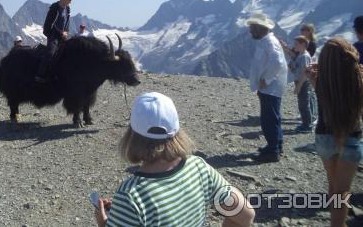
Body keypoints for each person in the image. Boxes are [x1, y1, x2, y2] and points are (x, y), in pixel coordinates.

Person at [94, 92, 255, 227]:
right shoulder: (199, 167)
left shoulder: (130, 195)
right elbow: (246, 214)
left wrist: (106, 223)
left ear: (132, 135)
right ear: (177, 130)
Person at [312, 38, 363, 227]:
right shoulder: (357, 79)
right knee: (343, 190)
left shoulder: (320, 80)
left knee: (333, 187)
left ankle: (337, 222)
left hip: (324, 137)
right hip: (351, 137)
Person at [247, 13, 288, 162]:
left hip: (270, 87)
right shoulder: (267, 41)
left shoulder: (269, 42)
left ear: (259, 28)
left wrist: (266, 79)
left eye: (252, 27)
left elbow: (277, 62)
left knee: (269, 118)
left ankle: (273, 151)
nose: (250, 31)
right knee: (273, 117)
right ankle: (276, 144)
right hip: (271, 87)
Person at [35, 0, 74, 83]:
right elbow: (50, 25)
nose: (70, 2)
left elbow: (67, 22)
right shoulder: (54, 9)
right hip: (53, 36)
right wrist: (61, 33)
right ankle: (40, 75)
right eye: (69, 0)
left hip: (62, 36)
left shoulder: (67, 8)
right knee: (50, 53)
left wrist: (66, 32)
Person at [288, 35, 314, 132]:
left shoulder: (304, 57)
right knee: (302, 103)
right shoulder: (300, 55)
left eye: (296, 44)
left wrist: (299, 86)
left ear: (303, 44)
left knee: (304, 104)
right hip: (299, 81)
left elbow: (305, 73)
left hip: (303, 82)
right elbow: (296, 68)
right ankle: (305, 123)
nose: (294, 46)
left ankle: (307, 126)